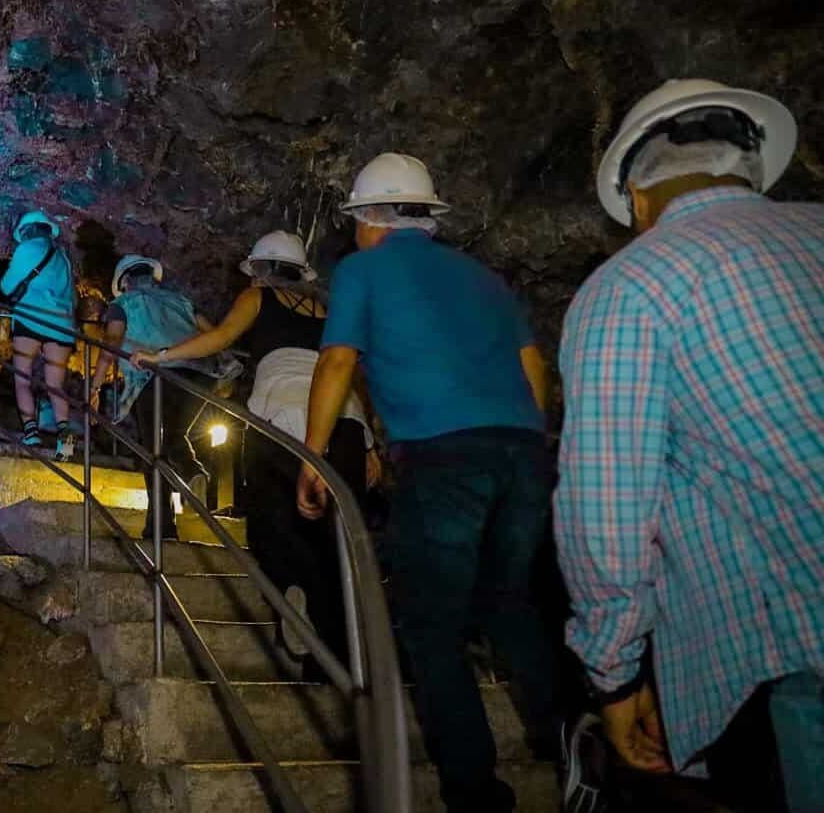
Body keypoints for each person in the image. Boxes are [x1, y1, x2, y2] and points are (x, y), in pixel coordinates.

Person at [555, 79, 823, 812]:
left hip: (803, 650)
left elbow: (607, 506)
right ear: (751, 166)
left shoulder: (634, 284)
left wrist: (613, 673)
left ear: (637, 200)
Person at [297, 154, 556, 813]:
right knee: (512, 605)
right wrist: (523, 441)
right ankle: (578, 744)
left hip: (443, 461)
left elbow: (336, 359)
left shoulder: (364, 269)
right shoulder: (484, 277)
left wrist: (314, 456)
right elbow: (533, 366)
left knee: (432, 627)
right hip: (522, 452)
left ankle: (475, 792)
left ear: (370, 220)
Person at [135, 231, 373, 660]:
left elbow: (221, 338)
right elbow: (351, 370)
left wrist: (162, 355)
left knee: (270, 522)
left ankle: (291, 592)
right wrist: (371, 444)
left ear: (260, 269)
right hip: (345, 420)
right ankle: (343, 656)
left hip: (283, 415)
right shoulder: (329, 309)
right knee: (336, 541)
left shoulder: (258, 298)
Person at [90, 254, 230, 541]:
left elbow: (112, 342)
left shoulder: (122, 304)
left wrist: (94, 386)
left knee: (152, 450)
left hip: (153, 375)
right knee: (175, 436)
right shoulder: (180, 300)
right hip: (198, 373)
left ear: (125, 281)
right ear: (152, 277)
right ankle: (192, 472)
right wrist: (225, 368)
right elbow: (215, 334)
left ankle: (161, 526)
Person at [0, 211, 76, 451]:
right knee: (55, 385)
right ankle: (66, 439)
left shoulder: (27, 249)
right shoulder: (63, 257)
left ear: (27, 230)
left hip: (30, 320)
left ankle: (31, 432)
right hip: (61, 326)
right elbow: (72, 296)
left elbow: (6, 286)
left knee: (22, 378)